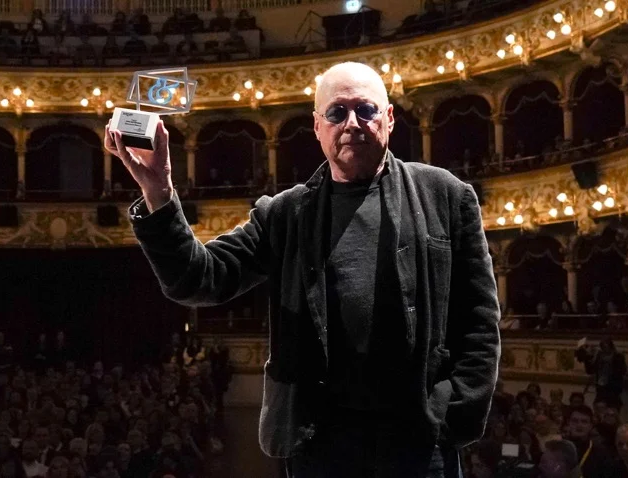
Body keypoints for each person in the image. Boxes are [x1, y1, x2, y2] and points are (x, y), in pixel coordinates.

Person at [108, 61, 500, 476]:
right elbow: (198, 278)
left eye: (366, 109)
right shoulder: (285, 214)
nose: (352, 123)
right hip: (320, 444)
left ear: (388, 118)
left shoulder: (446, 196)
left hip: (419, 441)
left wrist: (453, 416)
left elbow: (480, 318)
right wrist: (158, 190)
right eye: (337, 112)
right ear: (317, 126)